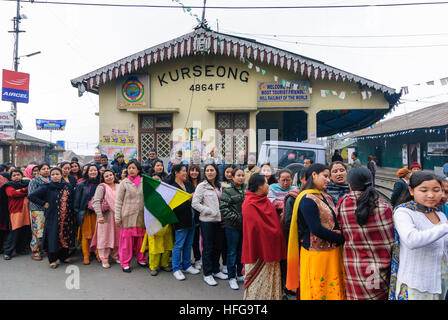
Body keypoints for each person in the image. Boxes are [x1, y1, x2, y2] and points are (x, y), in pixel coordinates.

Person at [286, 163, 346, 300]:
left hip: (332, 252)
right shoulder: (307, 199)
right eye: (325, 176)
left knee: (332, 289)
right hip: (316, 255)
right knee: (319, 291)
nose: (328, 180)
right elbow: (316, 229)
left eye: (328, 177)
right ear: (314, 175)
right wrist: (342, 238)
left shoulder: (324, 196)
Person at [389, 171, 448, 300]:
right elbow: (412, 240)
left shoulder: (441, 215)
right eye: (424, 190)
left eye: (436, 190)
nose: (431, 195)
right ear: (411, 190)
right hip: (416, 284)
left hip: (440, 282)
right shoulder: (404, 213)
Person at [337, 167, 394, 300]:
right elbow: (391, 241)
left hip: (354, 266)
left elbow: (341, 228)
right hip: (379, 270)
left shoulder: (343, 203)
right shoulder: (384, 209)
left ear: (350, 186)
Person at [241, 173, 287, 300]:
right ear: (259, 186)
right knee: (258, 284)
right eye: (266, 183)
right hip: (259, 253)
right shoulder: (249, 204)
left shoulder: (265, 200)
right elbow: (258, 230)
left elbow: (273, 223)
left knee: (272, 281)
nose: (268, 186)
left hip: (272, 251)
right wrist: (275, 234)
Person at [28, 167, 77, 268]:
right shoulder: (47, 186)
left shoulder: (67, 186)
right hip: (53, 216)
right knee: (53, 236)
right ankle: (52, 259)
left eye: (57, 174)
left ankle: (63, 257)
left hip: (66, 217)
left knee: (64, 236)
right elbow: (31, 196)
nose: (55, 176)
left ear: (61, 175)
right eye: (53, 174)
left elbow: (72, 199)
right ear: (50, 176)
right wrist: (43, 203)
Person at [192, 163, 227, 286]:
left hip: (219, 221)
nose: (210, 172)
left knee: (218, 246)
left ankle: (216, 270)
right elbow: (195, 203)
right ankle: (207, 274)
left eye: (212, 170)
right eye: (207, 170)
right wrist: (209, 211)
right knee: (208, 248)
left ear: (216, 172)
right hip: (207, 221)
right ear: (205, 173)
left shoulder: (220, 185)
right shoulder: (202, 186)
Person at [115, 159, 147, 273]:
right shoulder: (124, 183)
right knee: (126, 243)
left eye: (133, 168)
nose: (131, 170)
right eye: (129, 168)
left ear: (138, 169)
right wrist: (117, 217)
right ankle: (125, 262)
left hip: (141, 216)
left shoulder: (145, 181)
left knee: (141, 240)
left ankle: (141, 258)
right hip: (127, 216)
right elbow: (118, 201)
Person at [168, 164, 200, 280]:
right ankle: (176, 268)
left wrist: (192, 198)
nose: (185, 173)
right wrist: (189, 199)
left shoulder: (188, 184)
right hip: (180, 220)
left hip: (192, 219)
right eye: (183, 171)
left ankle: (187, 265)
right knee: (179, 244)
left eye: (185, 171)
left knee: (188, 244)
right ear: (176, 173)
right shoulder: (173, 187)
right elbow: (175, 206)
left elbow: (195, 199)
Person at [140, 172, 174, 276]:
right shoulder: (147, 193)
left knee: (167, 245)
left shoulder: (167, 192)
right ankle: (153, 266)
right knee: (154, 246)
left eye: (157, 179)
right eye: (152, 179)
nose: (155, 181)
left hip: (166, 223)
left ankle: (164, 264)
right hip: (153, 224)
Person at [220, 167, 246, 290]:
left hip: (244, 227)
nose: (241, 178)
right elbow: (224, 209)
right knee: (232, 252)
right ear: (233, 177)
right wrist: (239, 218)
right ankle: (231, 277)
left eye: (242, 175)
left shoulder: (247, 190)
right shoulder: (227, 191)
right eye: (238, 175)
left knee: (242, 251)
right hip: (232, 227)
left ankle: (240, 273)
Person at [89, 169, 120, 268]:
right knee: (104, 237)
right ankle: (104, 258)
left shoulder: (119, 186)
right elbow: (96, 202)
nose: (109, 177)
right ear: (103, 178)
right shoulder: (102, 187)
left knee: (117, 236)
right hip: (106, 216)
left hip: (118, 216)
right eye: (106, 176)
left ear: (114, 175)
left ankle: (115, 255)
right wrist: (99, 215)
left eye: (111, 175)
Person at [74, 164, 101, 265]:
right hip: (85, 213)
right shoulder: (81, 184)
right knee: (85, 235)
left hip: (98, 213)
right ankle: (86, 255)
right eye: (91, 171)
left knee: (97, 234)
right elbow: (76, 201)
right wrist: (77, 213)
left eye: (95, 170)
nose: (93, 172)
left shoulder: (101, 184)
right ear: (87, 172)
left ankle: (98, 253)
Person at [2, 169, 31, 260]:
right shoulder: (8, 186)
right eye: (14, 175)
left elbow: (29, 190)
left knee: (25, 230)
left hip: (26, 210)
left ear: (22, 175)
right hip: (16, 211)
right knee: (15, 231)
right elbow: (12, 194)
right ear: (11, 178)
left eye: (18, 174)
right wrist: (24, 191)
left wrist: (21, 190)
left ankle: (20, 249)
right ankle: (8, 252)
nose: (16, 176)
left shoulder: (26, 183)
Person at [27, 163, 51, 261]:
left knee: (47, 230)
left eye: (48, 168)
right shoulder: (34, 180)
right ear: (39, 171)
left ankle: (44, 248)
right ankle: (35, 251)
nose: (46, 170)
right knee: (37, 232)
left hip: (49, 209)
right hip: (37, 210)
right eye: (43, 169)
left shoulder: (51, 179)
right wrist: (43, 203)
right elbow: (31, 196)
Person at [187, 164, 203, 269]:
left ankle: (198, 258)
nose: (194, 172)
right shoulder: (186, 183)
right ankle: (193, 259)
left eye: (196, 170)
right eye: (192, 170)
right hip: (190, 214)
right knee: (192, 240)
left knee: (200, 239)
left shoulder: (202, 184)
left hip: (201, 213)